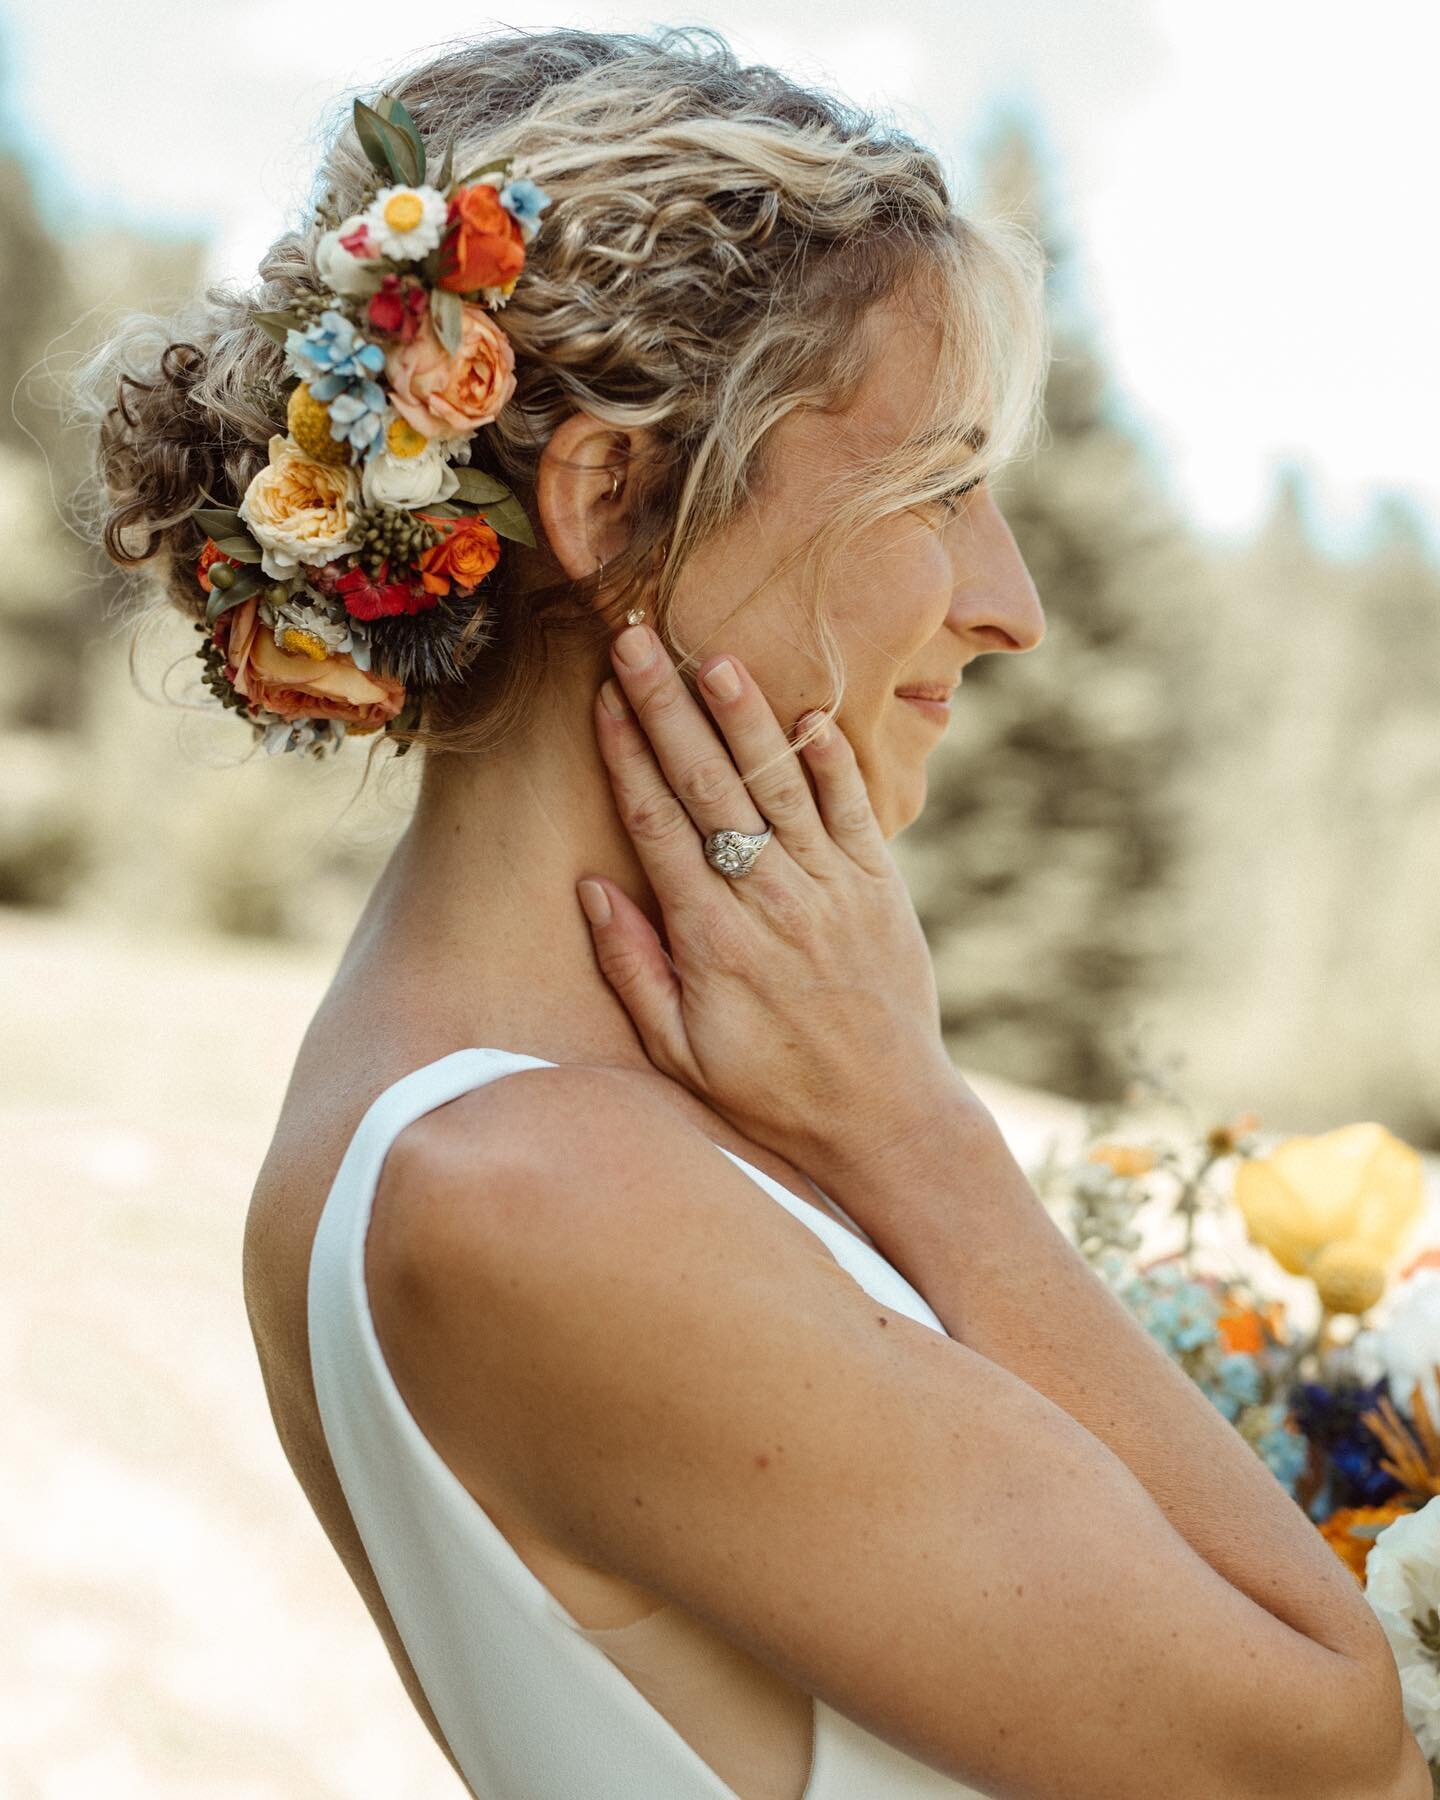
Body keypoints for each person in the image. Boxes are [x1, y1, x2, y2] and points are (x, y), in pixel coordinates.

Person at [82, 25, 1427, 1800]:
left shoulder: (535, 1112)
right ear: (611, 499)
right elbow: (1332, 1769)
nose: (1011, 603)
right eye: (938, 485)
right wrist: (917, 1127)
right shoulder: (526, 1192)